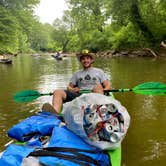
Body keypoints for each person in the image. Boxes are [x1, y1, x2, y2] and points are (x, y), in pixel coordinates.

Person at [42, 50, 111, 114]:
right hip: (80, 96)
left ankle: (99, 111)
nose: (85, 60)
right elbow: (69, 87)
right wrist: (73, 89)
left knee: (98, 86)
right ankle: (54, 113)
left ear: (91, 60)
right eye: (83, 59)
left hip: (95, 95)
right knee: (57, 92)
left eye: (87, 58)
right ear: (81, 61)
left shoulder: (99, 71)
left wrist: (101, 90)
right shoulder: (77, 73)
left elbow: (107, 85)